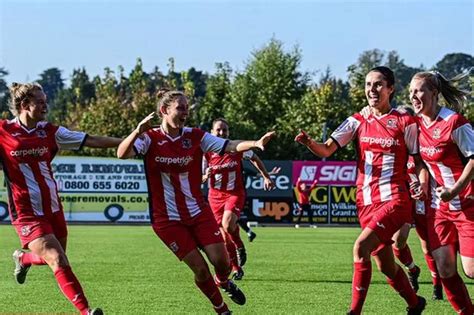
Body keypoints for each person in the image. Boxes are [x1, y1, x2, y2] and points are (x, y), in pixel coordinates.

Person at [117, 89, 275, 314]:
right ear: (164, 110)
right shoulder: (149, 138)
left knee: (222, 262)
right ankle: (221, 308)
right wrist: (136, 131)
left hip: (197, 212)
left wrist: (255, 142)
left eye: (187, 108)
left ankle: (223, 281)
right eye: (180, 108)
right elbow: (122, 154)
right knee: (200, 270)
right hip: (167, 220)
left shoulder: (195, 136)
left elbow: (229, 145)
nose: (185, 113)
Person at [295, 66, 426, 315]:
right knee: (386, 266)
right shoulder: (357, 120)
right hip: (365, 202)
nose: (372, 90)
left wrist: (419, 182)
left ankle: (354, 312)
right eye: (368, 85)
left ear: (390, 89)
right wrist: (309, 142)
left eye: (378, 84)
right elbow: (326, 150)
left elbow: (419, 160)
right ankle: (415, 303)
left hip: (395, 199)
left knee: (360, 247)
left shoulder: (405, 121)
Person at [1, 83, 122, 315]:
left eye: (46, 100)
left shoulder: (51, 132)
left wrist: (129, 141)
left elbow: (91, 140)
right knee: (56, 259)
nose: (46, 105)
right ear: (25, 105)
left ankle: (24, 260)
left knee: (57, 258)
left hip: (52, 208)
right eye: (40, 101)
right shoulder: (3, 131)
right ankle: (86, 311)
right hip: (25, 211)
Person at [409, 70, 473, 314]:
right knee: (445, 267)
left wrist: (455, 189)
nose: (414, 96)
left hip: (466, 203)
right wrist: (421, 183)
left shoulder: (454, 122)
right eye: (411, 92)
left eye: (419, 91)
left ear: (434, 93)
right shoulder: (417, 125)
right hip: (439, 208)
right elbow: (423, 163)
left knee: (471, 270)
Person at [202, 118, 276, 280]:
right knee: (223, 237)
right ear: (212, 133)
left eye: (224, 130)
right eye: (218, 130)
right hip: (214, 196)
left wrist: (266, 177)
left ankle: (240, 246)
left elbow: (254, 157)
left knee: (228, 224)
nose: (221, 133)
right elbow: (199, 178)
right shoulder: (206, 152)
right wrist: (204, 176)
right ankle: (236, 268)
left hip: (234, 193)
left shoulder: (235, 148)